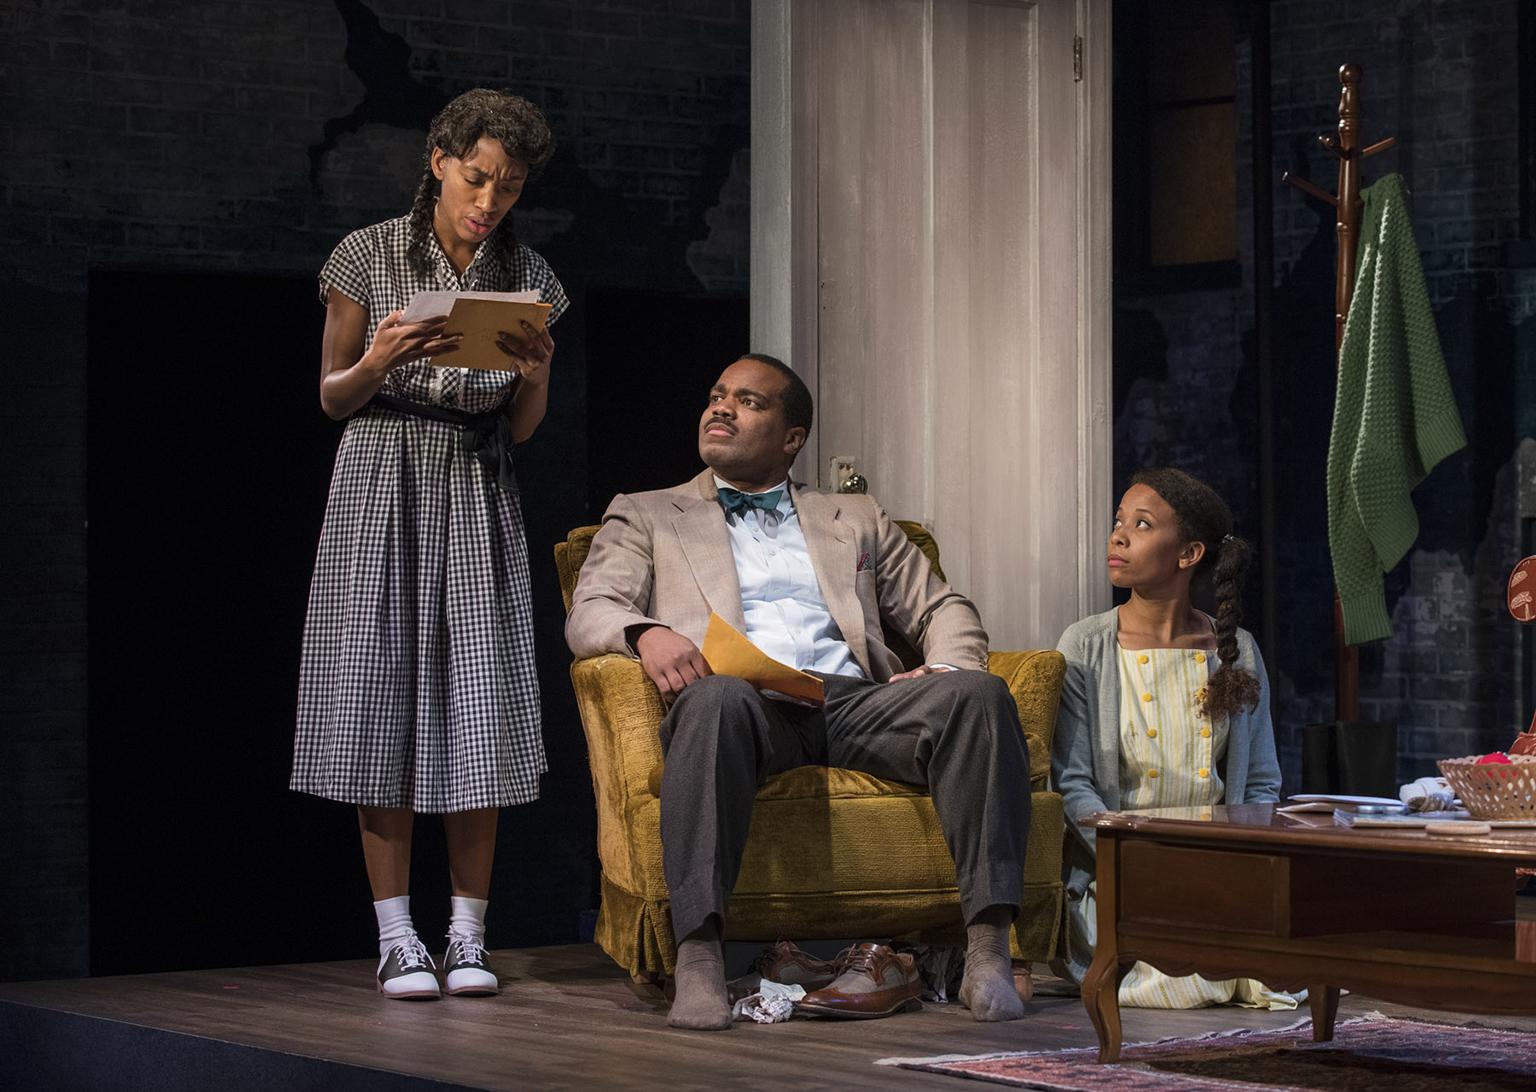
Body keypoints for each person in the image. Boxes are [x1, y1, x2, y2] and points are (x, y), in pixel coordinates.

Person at [565, 353, 1032, 1030]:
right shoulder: (647, 513)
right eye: (717, 395)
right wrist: (644, 633)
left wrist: (944, 666)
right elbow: (590, 609)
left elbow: (943, 608)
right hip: (742, 701)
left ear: (793, 438)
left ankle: (987, 950)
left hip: (851, 702)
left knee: (980, 695)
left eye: (749, 402)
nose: (721, 408)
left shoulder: (854, 514)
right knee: (713, 701)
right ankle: (698, 957)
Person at [290, 89, 567, 1000]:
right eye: (479, 175)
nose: (490, 198)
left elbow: (523, 427)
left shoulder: (527, 275)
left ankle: (469, 934)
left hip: (476, 481)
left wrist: (537, 375)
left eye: (510, 185)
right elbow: (333, 395)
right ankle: (398, 935)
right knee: (381, 698)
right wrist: (379, 358)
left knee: (475, 704)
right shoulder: (366, 255)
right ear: (440, 160)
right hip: (381, 478)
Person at [1051, 468, 1296, 1009]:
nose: (1118, 536)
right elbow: (1073, 784)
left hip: (1217, 869)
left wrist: (1231, 868)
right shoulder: (1087, 647)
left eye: (1140, 524)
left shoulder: (1238, 651)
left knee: (1284, 950)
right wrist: (1140, 864)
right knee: (1184, 966)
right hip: (1123, 878)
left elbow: (1258, 782)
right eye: (1119, 521)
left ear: (1187, 555)